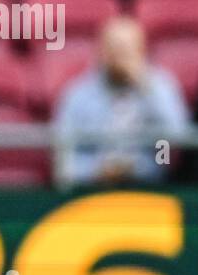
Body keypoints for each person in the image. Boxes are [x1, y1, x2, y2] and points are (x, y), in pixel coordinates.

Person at [53, 16, 189, 187]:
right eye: (114, 49)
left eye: (126, 49)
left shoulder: (161, 87)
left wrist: (145, 87)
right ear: (100, 51)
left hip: (151, 188)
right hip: (91, 191)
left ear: (142, 51)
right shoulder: (77, 94)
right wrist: (97, 171)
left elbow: (178, 140)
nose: (120, 57)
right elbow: (64, 161)